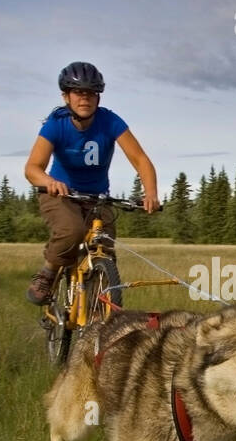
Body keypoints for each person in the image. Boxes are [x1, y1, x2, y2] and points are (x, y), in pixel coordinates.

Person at [24, 62, 160, 305]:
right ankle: (48, 272)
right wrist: (50, 182)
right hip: (61, 194)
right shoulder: (56, 123)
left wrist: (150, 193)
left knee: (104, 249)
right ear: (66, 96)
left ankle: (99, 317)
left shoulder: (110, 121)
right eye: (78, 92)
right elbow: (32, 168)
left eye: (91, 93)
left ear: (98, 97)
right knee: (71, 231)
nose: (84, 98)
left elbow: (140, 159)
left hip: (97, 197)